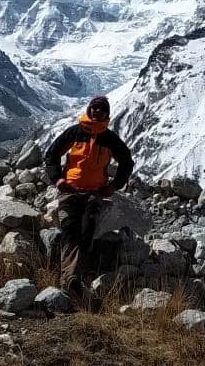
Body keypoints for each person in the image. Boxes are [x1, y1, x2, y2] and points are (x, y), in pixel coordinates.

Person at [43, 95, 134, 288]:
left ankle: (75, 278)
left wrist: (114, 186)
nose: (97, 111)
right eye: (94, 108)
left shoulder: (110, 139)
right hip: (70, 190)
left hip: (95, 193)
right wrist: (57, 179)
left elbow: (127, 162)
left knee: (88, 227)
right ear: (89, 110)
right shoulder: (74, 133)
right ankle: (72, 279)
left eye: (101, 109)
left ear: (107, 113)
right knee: (70, 228)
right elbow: (51, 154)